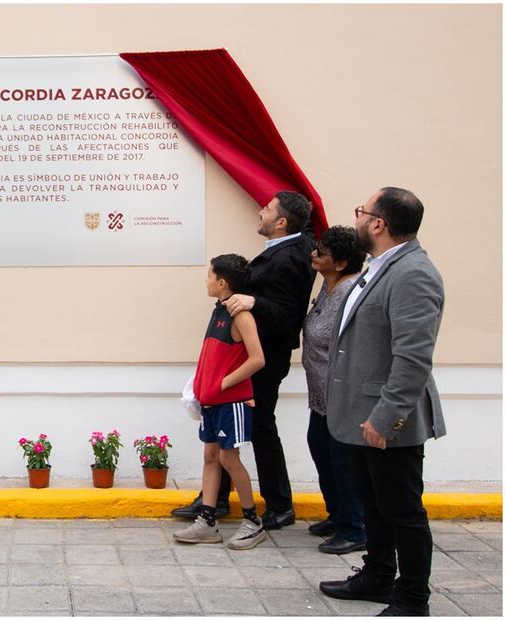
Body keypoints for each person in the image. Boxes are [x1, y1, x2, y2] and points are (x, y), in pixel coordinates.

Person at [318, 187, 445, 616]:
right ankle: (376, 575)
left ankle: (412, 599)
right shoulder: (380, 267)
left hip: (387, 419)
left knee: (402, 510)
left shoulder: (414, 274)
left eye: (362, 212)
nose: (356, 219)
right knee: (373, 503)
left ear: (379, 224)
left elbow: (413, 357)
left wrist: (385, 417)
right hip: (359, 413)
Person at [173, 191, 316, 529]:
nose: (261, 212)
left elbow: (287, 314)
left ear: (281, 222)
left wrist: (252, 302)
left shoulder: (288, 257)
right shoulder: (286, 251)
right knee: (224, 430)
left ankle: (278, 505)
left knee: (262, 428)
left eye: (268, 209)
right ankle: (216, 500)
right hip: (242, 358)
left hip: (260, 360)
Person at [173, 254, 267, 550]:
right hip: (212, 402)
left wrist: (222, 384)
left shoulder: (241, 315)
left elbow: (257, 359)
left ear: (222, 282)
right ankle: (207, 522)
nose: (206, 280)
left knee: (228, 458)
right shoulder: (220, 311)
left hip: (230, 403)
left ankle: (253, 521)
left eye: (209, 275)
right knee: (211, 458)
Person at [302, 226, 368, 554]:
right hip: (320, 395)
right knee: (321, 451)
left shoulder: (350, 294)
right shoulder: (328, 287)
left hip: (342, 396)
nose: (314, 255)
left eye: (321, 253)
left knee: (343, 462)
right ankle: (337, 514)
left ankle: (354, 528)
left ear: (340, 263)